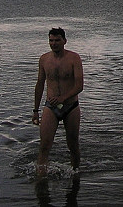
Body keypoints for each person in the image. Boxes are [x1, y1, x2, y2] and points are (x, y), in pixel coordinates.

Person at [33, 27, 84, 176]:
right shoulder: (44, 59)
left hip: (71, 107)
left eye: (57, 40)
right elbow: (40, 84)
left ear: (64, 41)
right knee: (44, 145)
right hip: (51, 107)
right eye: (51, 40)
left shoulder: (74, 58)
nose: (53, 43)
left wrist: (63, 98)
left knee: (73, 144)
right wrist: (35, 111)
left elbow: (79, 85)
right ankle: (40, 178)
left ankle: (75, 172)